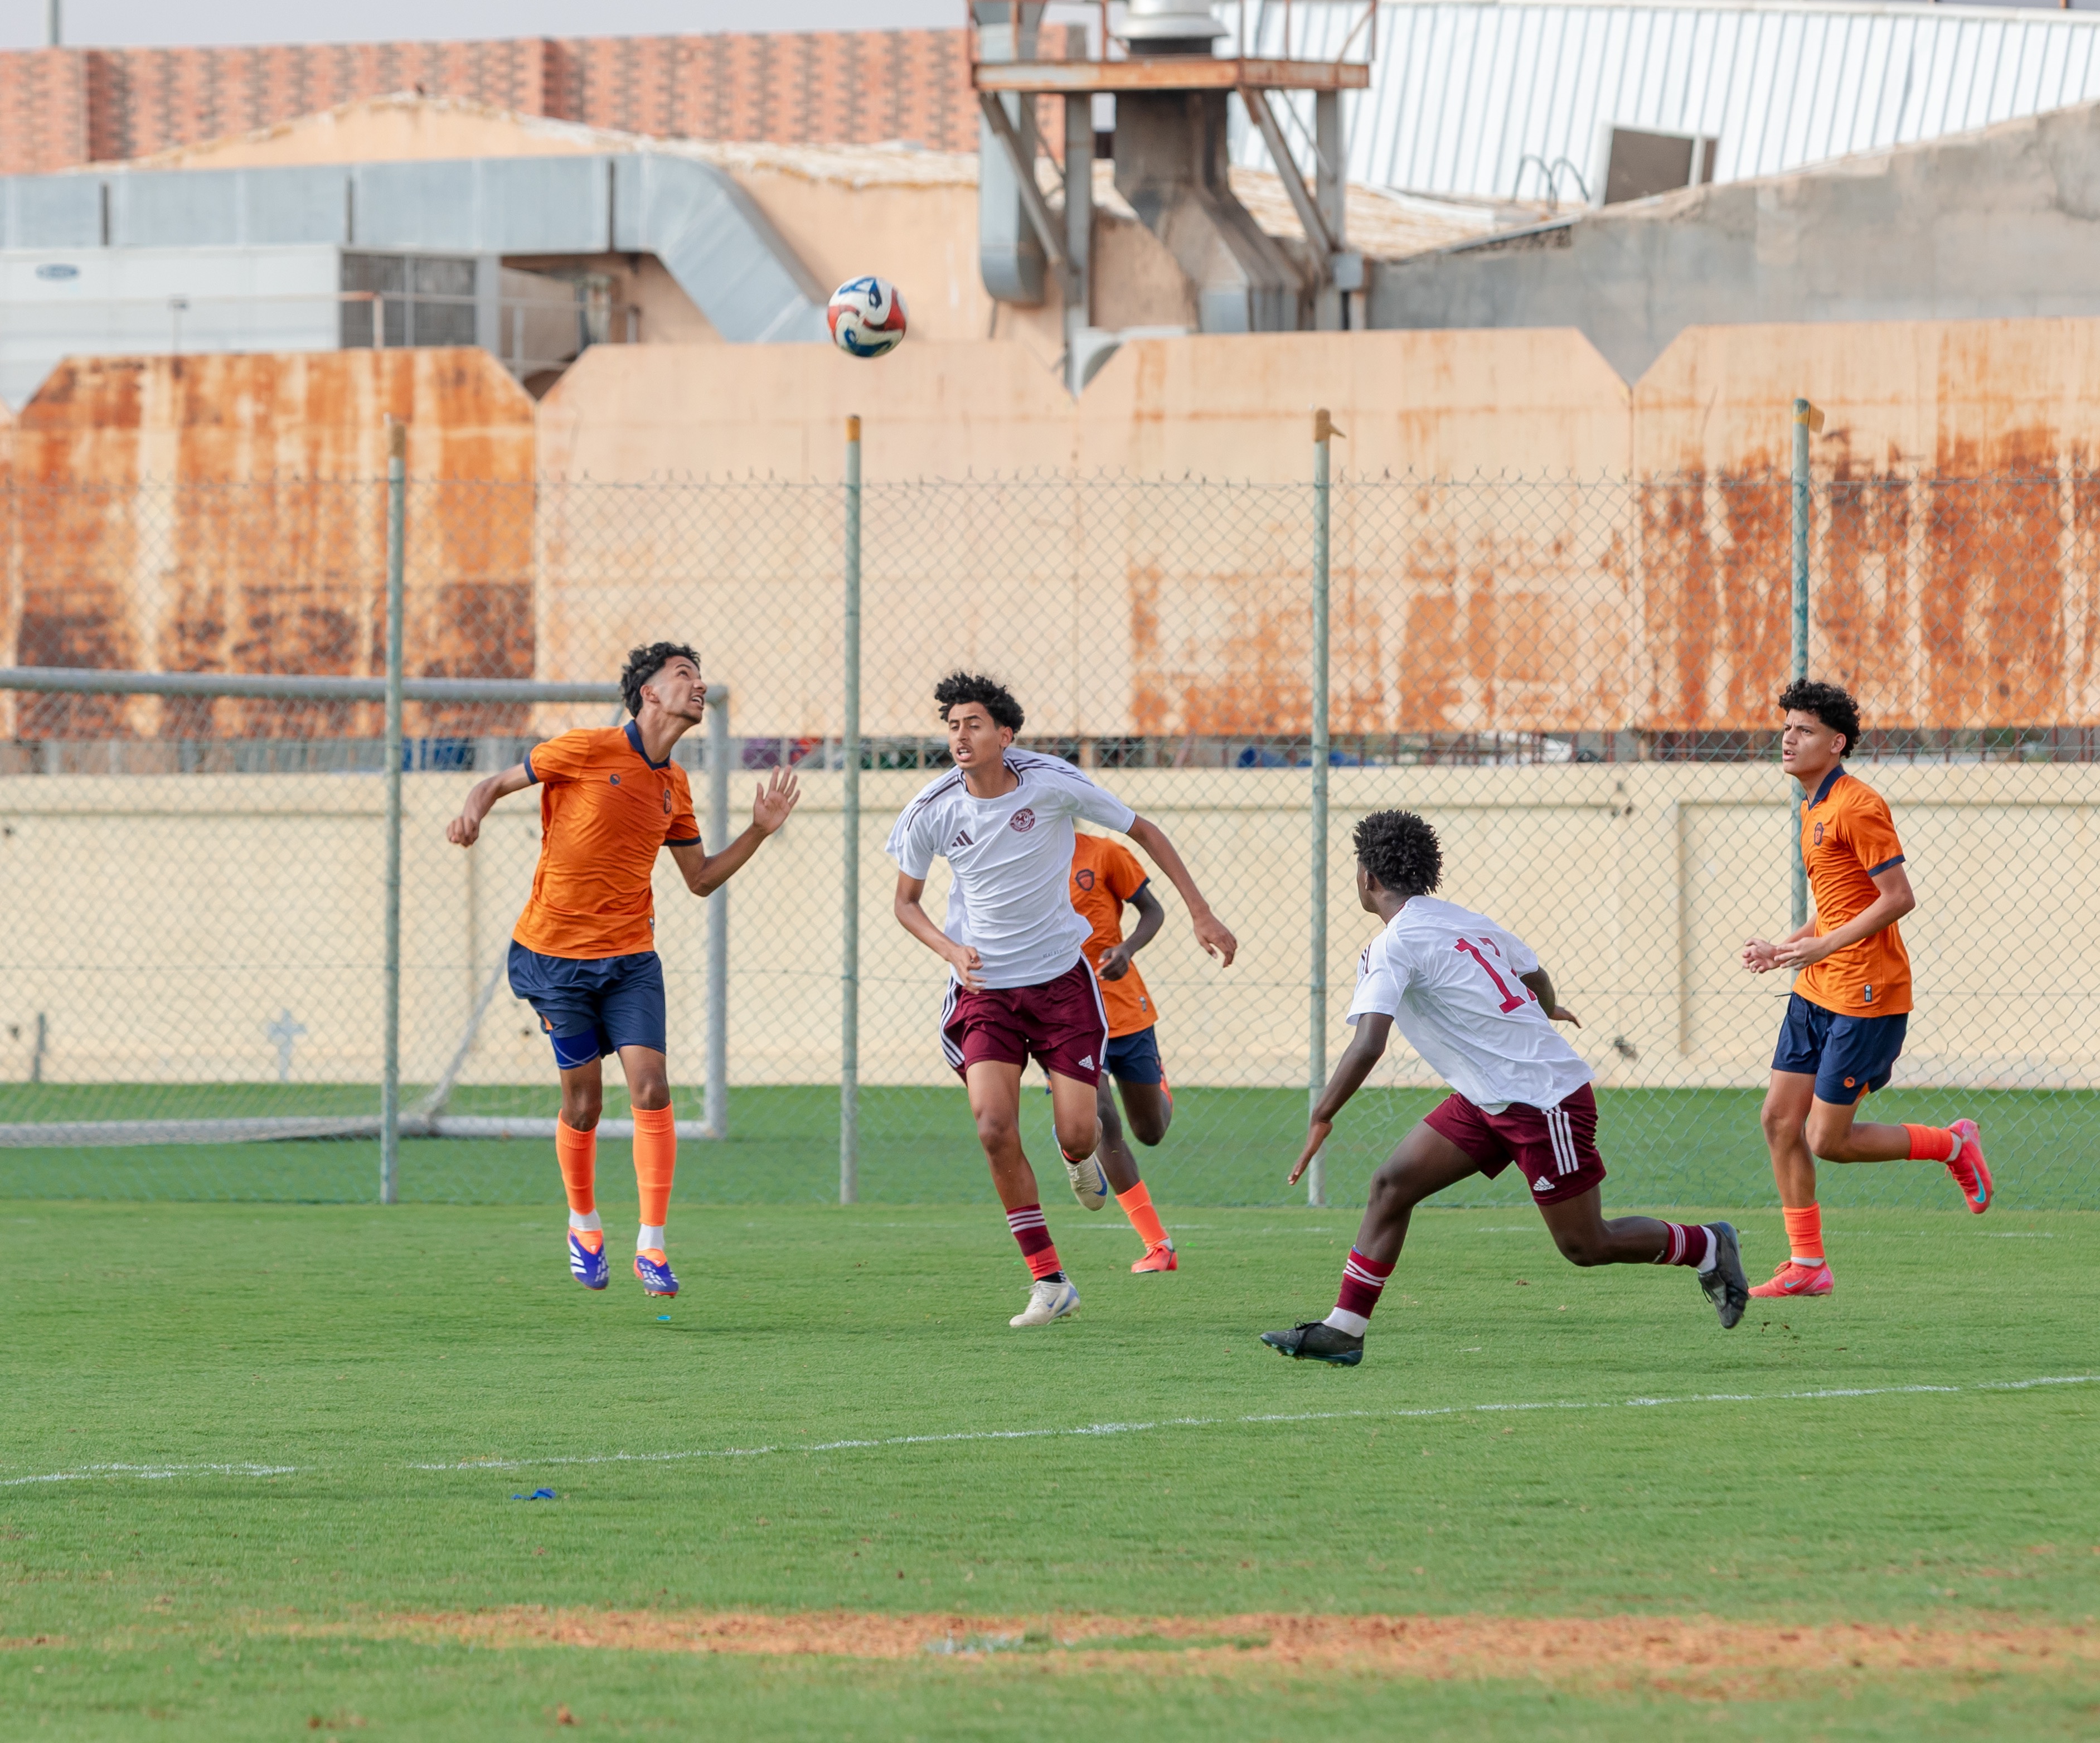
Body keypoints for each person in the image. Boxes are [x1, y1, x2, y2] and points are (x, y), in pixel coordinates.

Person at [1262, 810, 1749, 1367]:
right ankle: (1343, 1330)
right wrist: (1544, 1009)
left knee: (1584, 1245)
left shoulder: (1393, 945)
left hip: (1542, 1100)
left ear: (1368, 879)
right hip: (1488, 1096)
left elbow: (1369, 1042)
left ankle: (1708, 1245)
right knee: (1391, 1185)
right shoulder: (1464, 920)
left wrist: (1322, 1114)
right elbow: (1533, 973)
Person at [445, 642, 799, 1300]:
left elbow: (698, 881)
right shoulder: (585, 749)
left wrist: (757, 832)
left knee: (651, 1087)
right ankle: (583, 1225)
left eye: (699, 675)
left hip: (631, 960)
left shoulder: (674, 784)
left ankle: (652, 1245)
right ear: (650, 695)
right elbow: (494, 782)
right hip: (552, 959)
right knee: (584, 1100)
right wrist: (473, 812)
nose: (698, 686)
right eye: (683, 676)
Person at [887, 672, 1237, 1328]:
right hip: (985, 989)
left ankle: (1075, 1158)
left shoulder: (1050, 782)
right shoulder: (931, 809)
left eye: (973, 725)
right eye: (952, 726)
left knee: (1081, 1134)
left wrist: (1200, 913)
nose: (960, 736)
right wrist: (949, 950)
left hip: (1060, 986)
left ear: (1004, 735)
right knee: (992, 1126)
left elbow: (1146, 830)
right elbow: (904, 905)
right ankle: (1049, 1282)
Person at [1740, 681, 1990, 1299]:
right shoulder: (1811, 806)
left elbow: (1896, 898)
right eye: (1786, 729)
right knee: (1778, 1120)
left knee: (1829, 1140)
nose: (1788, 739)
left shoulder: (1856, 805)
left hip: (1867, 995)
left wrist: (1823, 947)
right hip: (1816, 989)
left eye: (1802, 730)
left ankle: (1951, 1144)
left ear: (1836, 742)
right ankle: (1806, 1265)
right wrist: (1785, 946)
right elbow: (1835, 908)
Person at [1068, 829, 1177, 1272]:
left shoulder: (1104, 852)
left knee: (1149, 1130)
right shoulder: (1019, 859)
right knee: (1100, 1119)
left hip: (1124, 1008)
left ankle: (1158, 1084)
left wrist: (1126, 949)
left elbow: (1152, 911)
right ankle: (1158, 1247)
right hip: (1067, 1015)